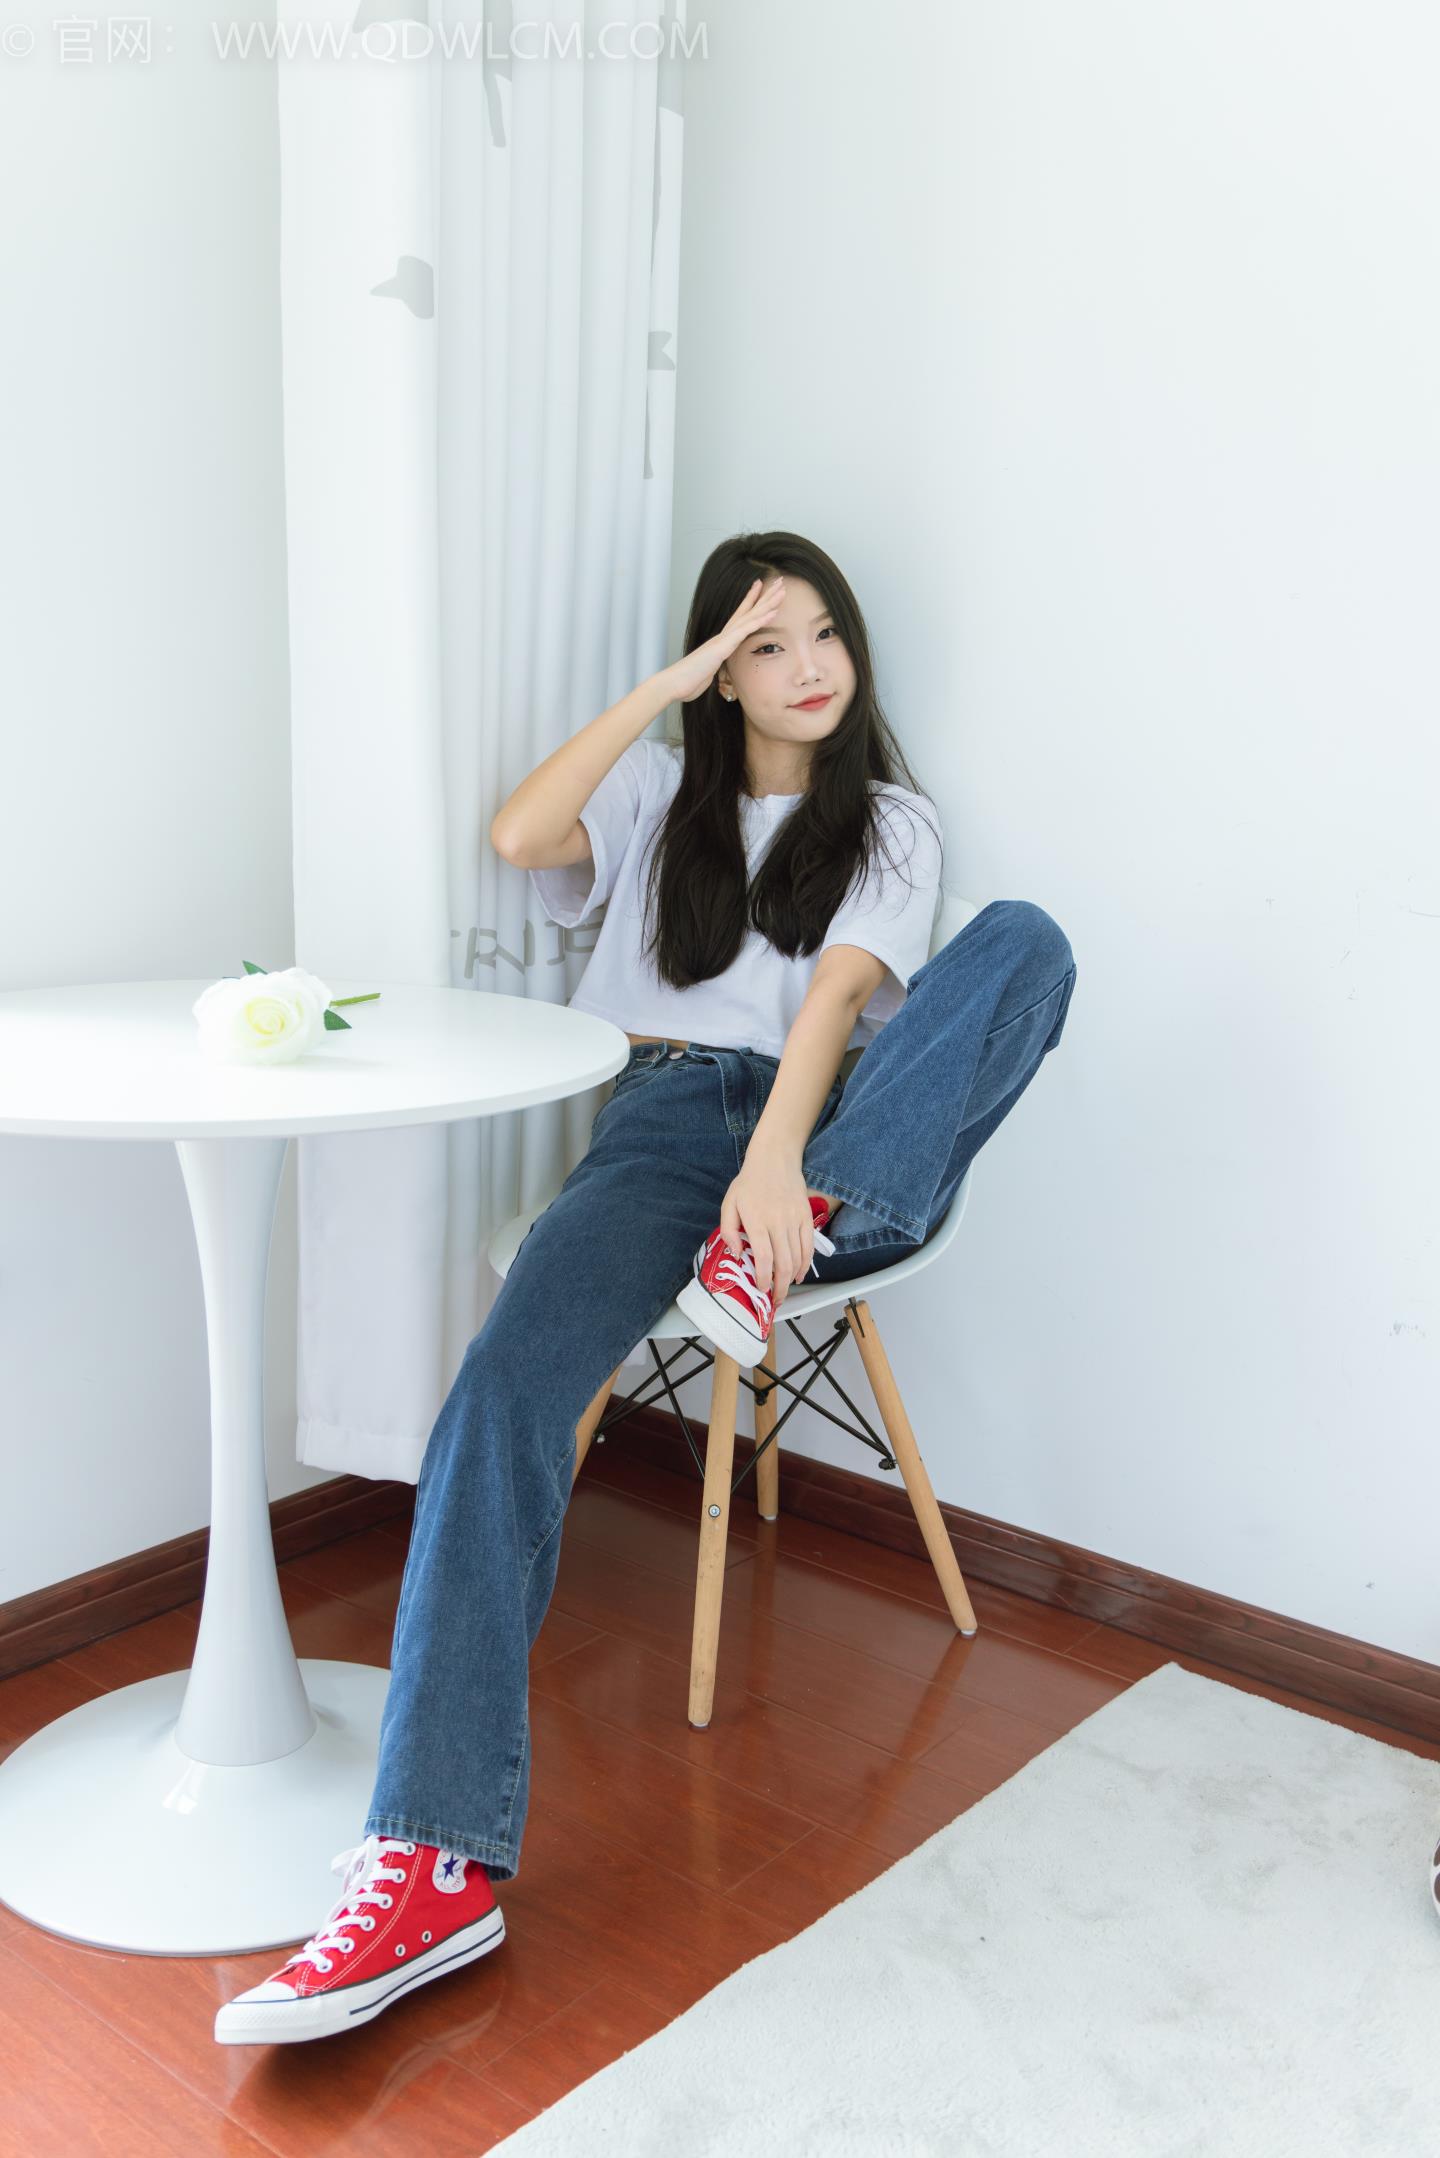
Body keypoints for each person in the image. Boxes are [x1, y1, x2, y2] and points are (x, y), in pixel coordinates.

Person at [215, 530, 1078, 2045]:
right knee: (500, 1393)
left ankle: (792, 1229)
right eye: (764, 644)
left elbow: (836, 1001)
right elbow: (519, 830)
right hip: (663, 1123)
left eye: (825, 633)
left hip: (829, 1134)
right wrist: (664, 691)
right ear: (720, 671)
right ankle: (428, 1863)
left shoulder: (891, 821)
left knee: (1027, 942)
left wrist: (784, 1167)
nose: (808, 667)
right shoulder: (662, 797)